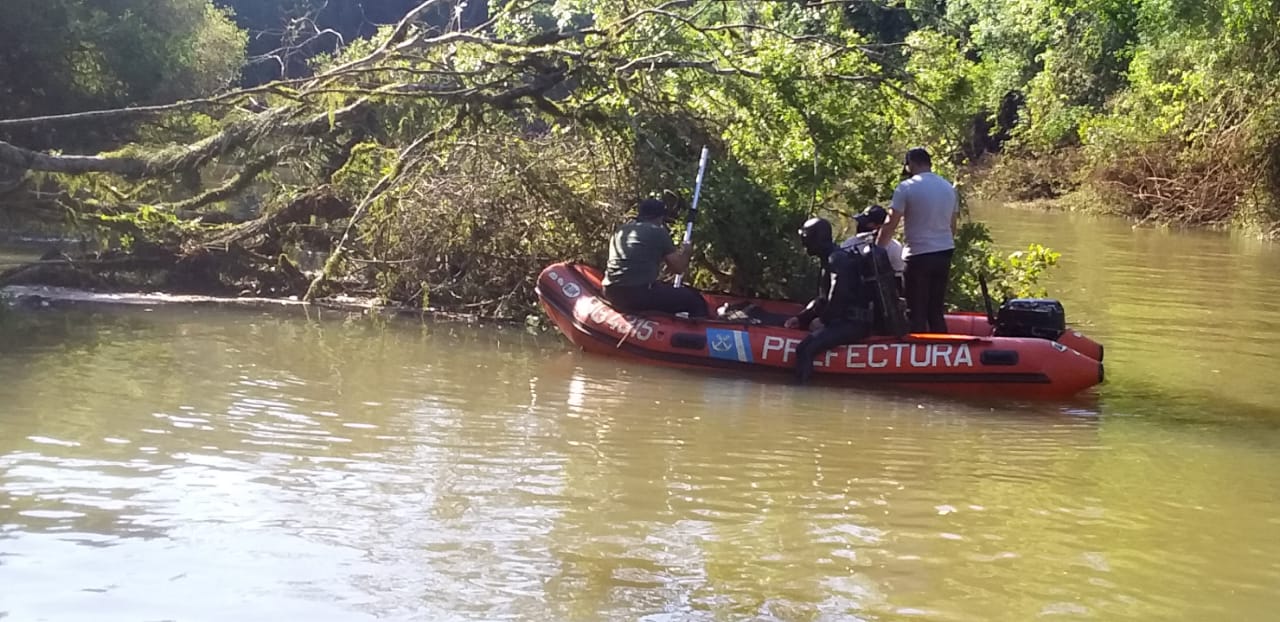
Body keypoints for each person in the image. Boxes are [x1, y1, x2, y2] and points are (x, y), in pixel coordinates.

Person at [877, 147, 958, 334]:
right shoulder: (948, 188)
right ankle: (942, 354)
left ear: (910, 164)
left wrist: (878, 249)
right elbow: (952, 226)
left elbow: (891, 223)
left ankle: (916, 352)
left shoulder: (907, 187)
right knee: (936, 310)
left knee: (916, 311)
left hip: (918, 255)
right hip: (944, 253)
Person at [784, 217, 874, 384]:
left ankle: (800, 395)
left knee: (805, 349)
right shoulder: (831, 258)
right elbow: (823, 299)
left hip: (853, 323)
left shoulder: (837, 260)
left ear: (816, 239)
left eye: (806, 238)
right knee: (808, 344)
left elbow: (839, 295)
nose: (804, 244)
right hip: (846, 321)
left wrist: (824, 321)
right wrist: (802, 318)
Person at [602, 198, 709, 318]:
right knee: (694, 300)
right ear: (660, 217)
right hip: (637, 294)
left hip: (610, 291)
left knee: (662, 290)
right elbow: (678, 268)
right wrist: (687, 252)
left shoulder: (621, 230)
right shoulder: (658, 232)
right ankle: (701, 331)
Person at [841, 204, 905, 284]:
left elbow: (898, 277)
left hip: (883, 292)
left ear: (880, 226)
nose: (861, 225)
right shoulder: (851, 243)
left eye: (866, 223)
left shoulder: (894, 247)